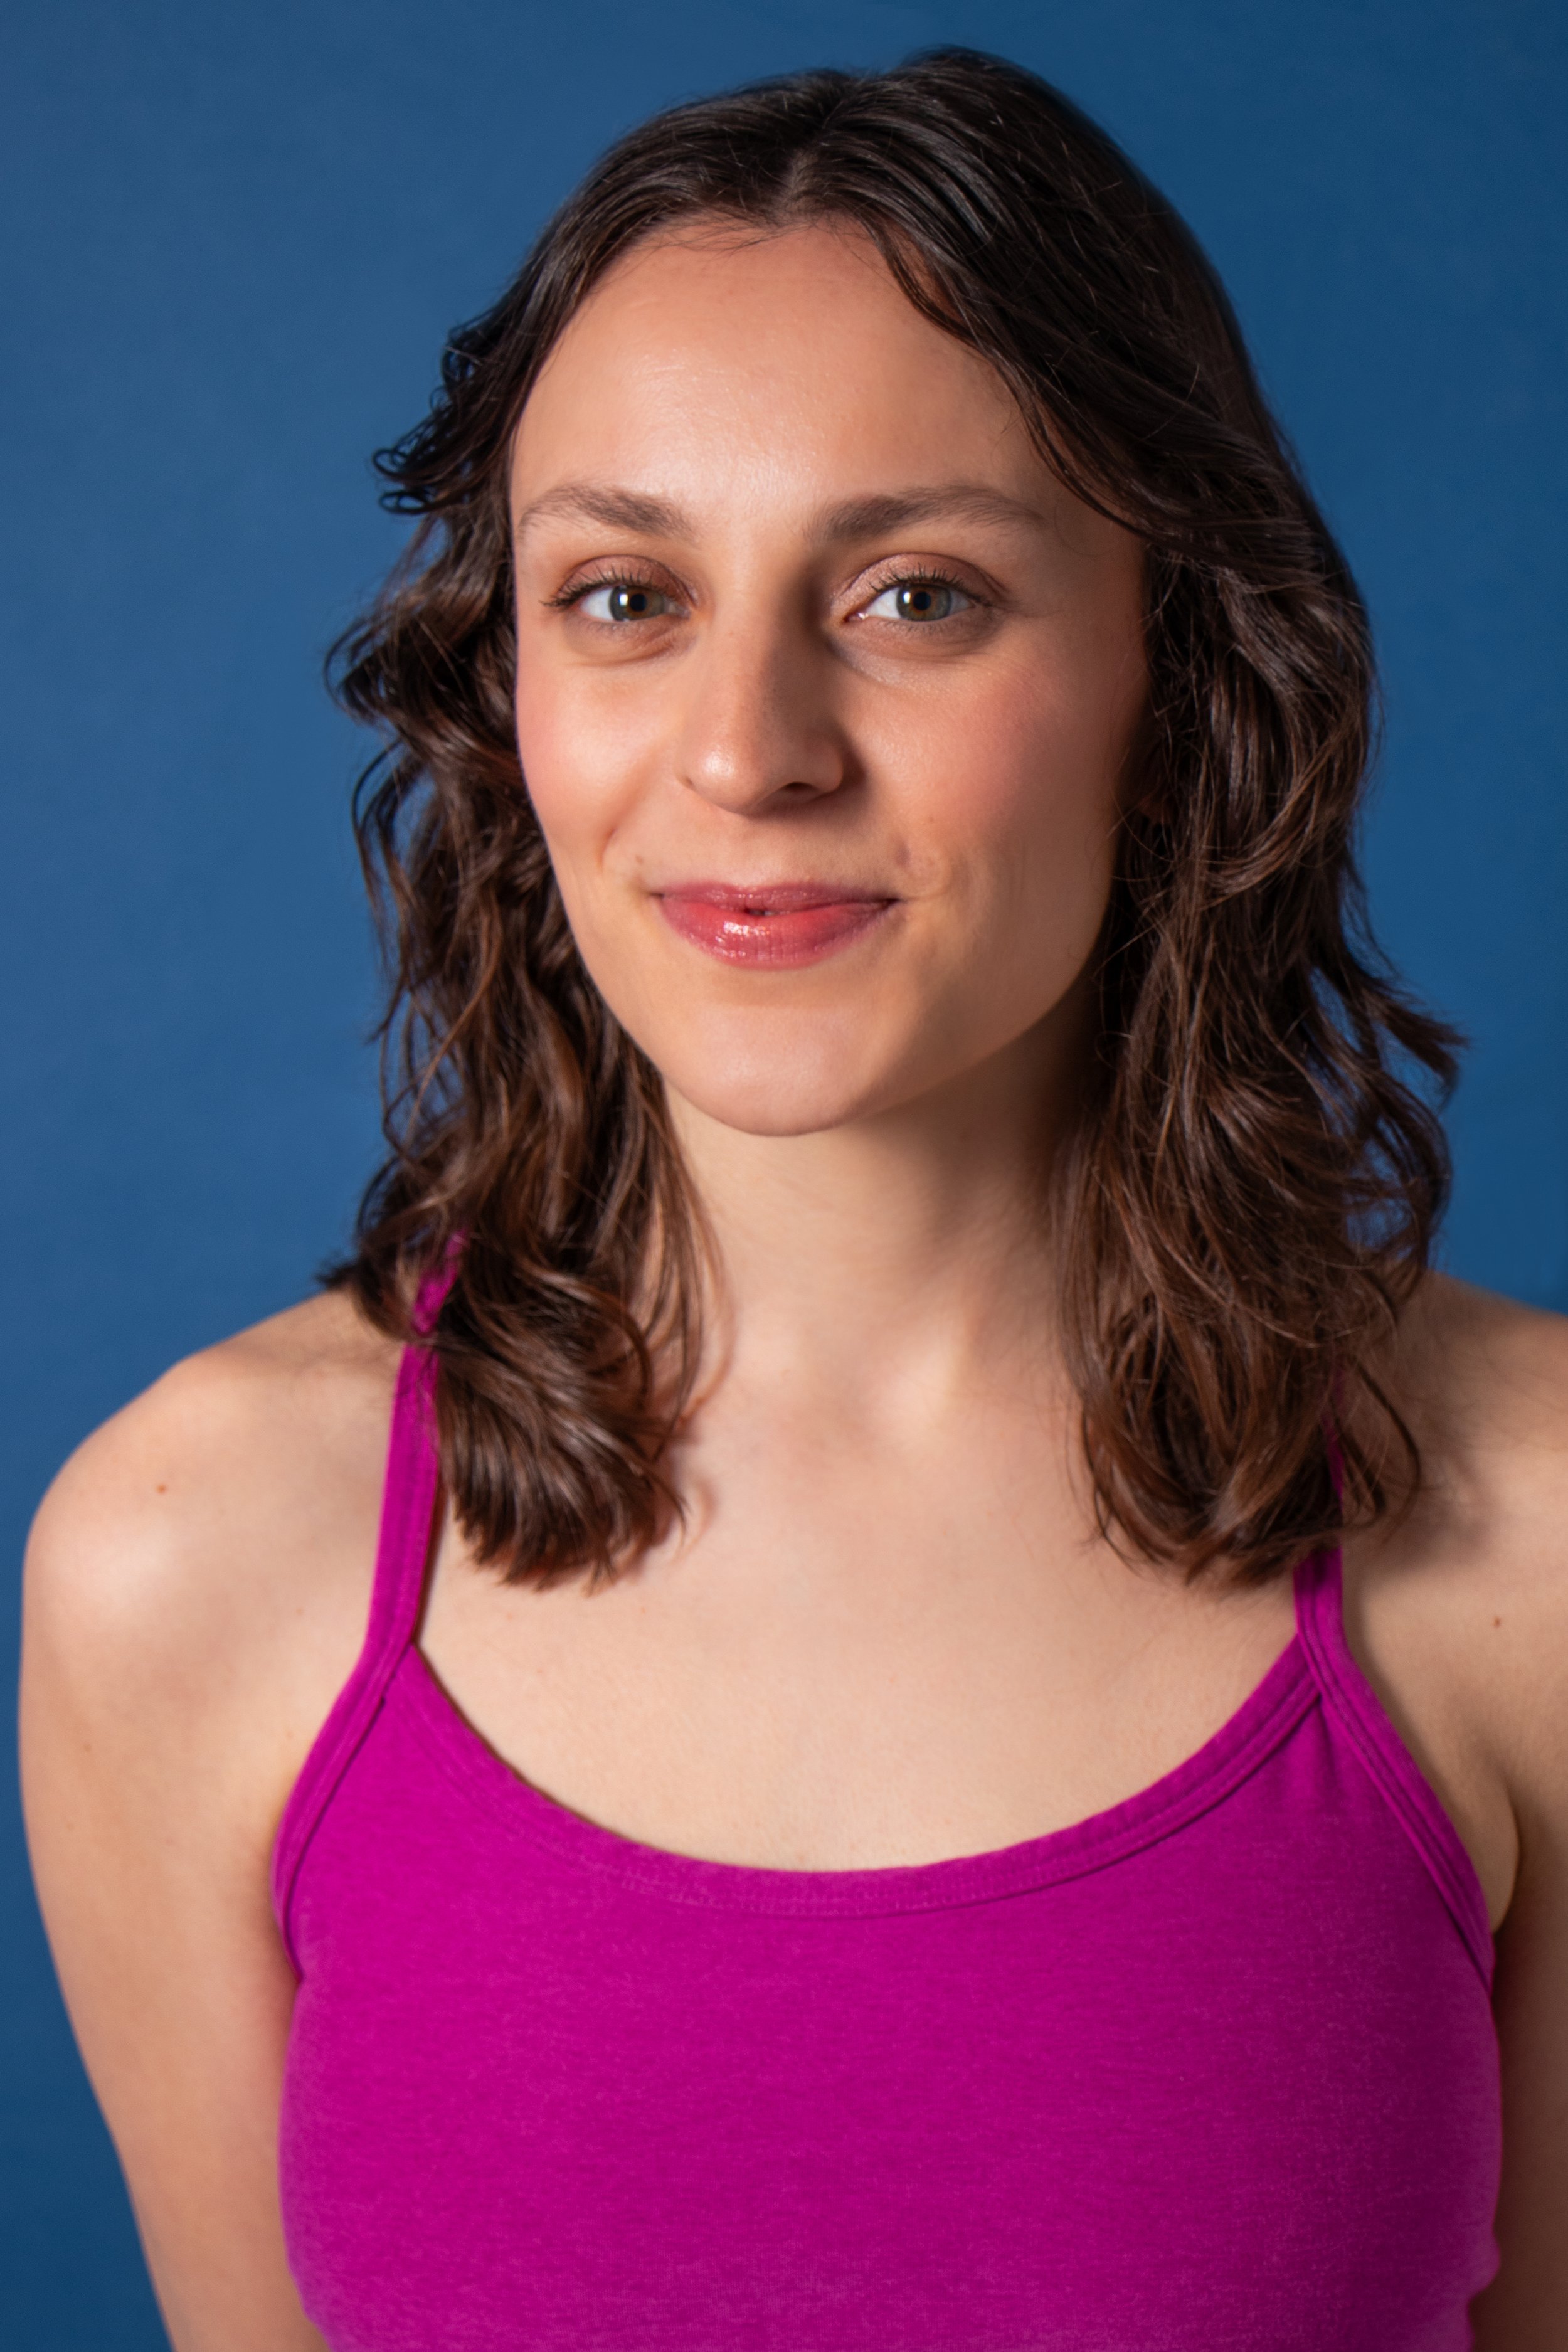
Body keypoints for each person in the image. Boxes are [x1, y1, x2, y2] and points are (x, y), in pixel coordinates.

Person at [18, 46, 1567, 2352]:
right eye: (625, 595)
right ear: (506, 687)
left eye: (917, 593)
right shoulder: (181, 1568)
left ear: (1178, 671)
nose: (748, 749)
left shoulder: (1531, 1533)